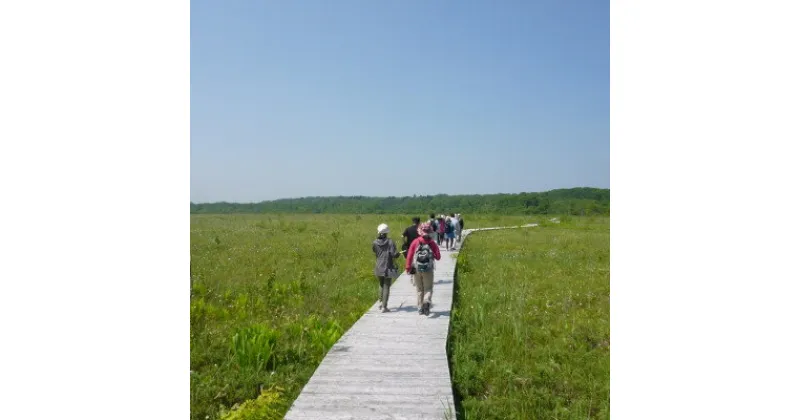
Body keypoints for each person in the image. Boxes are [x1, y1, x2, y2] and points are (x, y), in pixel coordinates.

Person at [405, 222, 441, 315]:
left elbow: (409, 256)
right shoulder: (432, 242)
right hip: (428, 269)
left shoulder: (415, 241)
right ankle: (426, 302)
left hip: (417, 268)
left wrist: (408, 267)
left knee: (419, 289)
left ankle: (420, 308)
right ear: (430, 231)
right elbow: (438, 257)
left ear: (420, 231)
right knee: (428, 288)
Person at [373, 223, 400, 313]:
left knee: (381, 284)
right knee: (386, 286)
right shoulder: (390, 242)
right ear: (386, 232)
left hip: (378, 266)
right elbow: (393, 254)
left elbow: (375, 252)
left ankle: (380, 303)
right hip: (388, 266)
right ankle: (384, 307)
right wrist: (398, 254)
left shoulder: (375, 242)